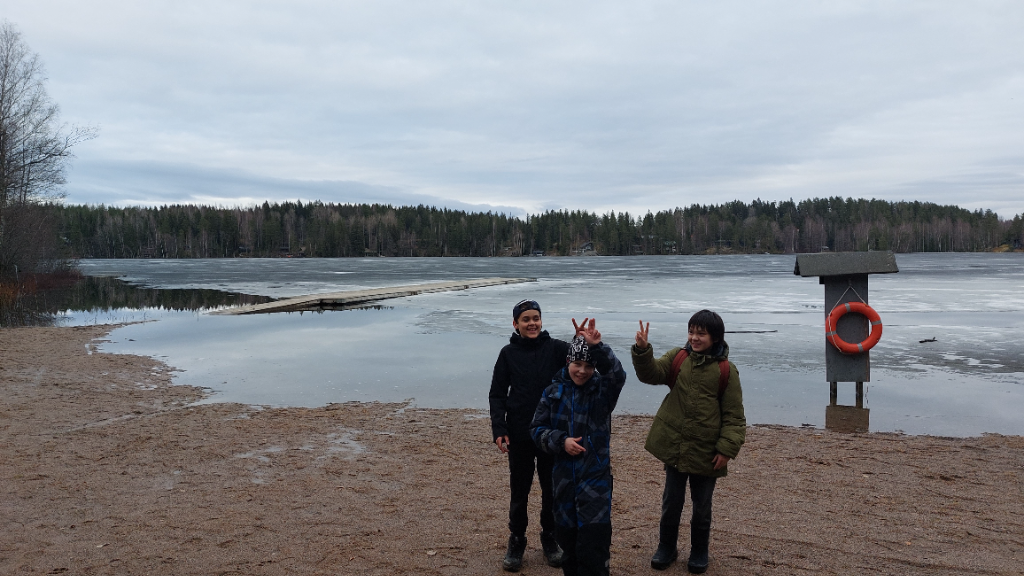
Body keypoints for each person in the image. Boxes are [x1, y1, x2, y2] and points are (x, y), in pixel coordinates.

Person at [631, 310, 746, 574]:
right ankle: (666, 547)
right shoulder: (678, 357)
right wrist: (643, 350)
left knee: (702, 507)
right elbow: (651, 374)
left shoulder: (726, 371)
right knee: (671, 502)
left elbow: (734, 416)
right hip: (676, 446)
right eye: (691, 332)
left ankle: (699, 551)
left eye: (701, 334)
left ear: (715, 337)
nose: (694, 338)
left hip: (707, 452)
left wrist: (726, 449)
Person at [530, 319, 627, 576]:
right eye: (577, 364)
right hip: (563, 482)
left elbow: (617, 374)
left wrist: (597, 347)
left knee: (593, 550)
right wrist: (560, 441)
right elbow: (536, 429)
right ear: (568, 362)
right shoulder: (553, 392)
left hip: (595, 482)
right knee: (569, 549)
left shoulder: (602, 392)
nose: (582, 371)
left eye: (588, 366)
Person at [489, 299, 569, 572]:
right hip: (519, 433)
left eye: (536, 318)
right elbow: (497, 394)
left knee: (552, 490)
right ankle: (517, 540)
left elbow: (583, 363)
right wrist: (499, 429)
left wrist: (585, 341)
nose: (532, 323)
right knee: (519, 490)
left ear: (541, 321)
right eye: (526, 319)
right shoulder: (508, 353)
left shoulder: (557, 348)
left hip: (551, 434)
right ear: (516, 324)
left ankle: (550, 538)